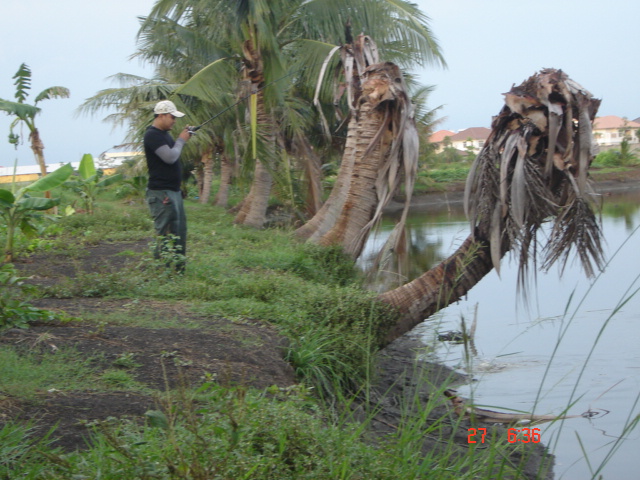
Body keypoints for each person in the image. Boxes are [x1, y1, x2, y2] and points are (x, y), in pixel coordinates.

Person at [144, 100, 192, 272]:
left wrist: (182, 138)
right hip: (161, 192)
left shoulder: (165, 134)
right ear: (162, 115)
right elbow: (170, 157)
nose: (174, 121)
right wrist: (181, 140)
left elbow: (173, 153)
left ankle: (178, 270)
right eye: (172, 117)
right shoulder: (152, 135)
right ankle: (162, 270)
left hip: (174, 191)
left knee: (179, 231)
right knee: (165, 233)